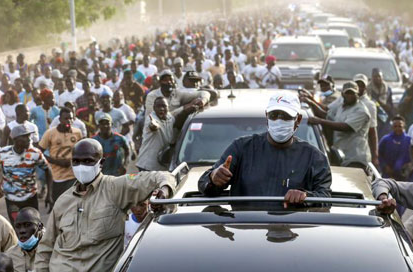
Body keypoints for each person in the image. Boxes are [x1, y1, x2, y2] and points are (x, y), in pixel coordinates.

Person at [29, 139, 176, 272]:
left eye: (88, 161)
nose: (81, 166)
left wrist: (163, 190)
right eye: (76, 161)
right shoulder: (63, 201)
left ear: (101, 162)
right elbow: (46, 248)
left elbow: (162, 176)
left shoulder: (115, 188)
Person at [199, 93, 331, 207]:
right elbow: (204, 183)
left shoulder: (314, 157)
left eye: (285, 116)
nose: (279, 120)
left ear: (298, 119)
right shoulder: (241, 148)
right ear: (267, 117)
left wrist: (306, 197)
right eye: (274, 115)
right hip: (245, 229)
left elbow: (325, 197)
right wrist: (213, 179)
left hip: (292, 229)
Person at [0, 125, 52, 221]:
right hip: (12, 200)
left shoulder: (35, 153)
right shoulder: (3, 153)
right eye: (25, 136)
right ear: (15, 139)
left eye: (29, 136)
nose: (29, 139)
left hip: (30, 198)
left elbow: (48, 170)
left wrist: (49, 194)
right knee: (17, 227)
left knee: (34, 226)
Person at [308, 82, 371, 168]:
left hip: (355, 158)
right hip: (341, 156)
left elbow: (345, 127)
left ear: (357, 94)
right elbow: (327, 115)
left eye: (352, 93)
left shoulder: (361, 111)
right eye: (347, 93)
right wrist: (310, 101)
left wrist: (320, 121)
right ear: (342, 94)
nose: (349, 96)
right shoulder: (341, 107)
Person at [38, 107, 83, 203]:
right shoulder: (50, 133)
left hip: (73, 177)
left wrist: (74, 161)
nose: (69, 121)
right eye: (66, 118)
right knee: (58, 206)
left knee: (72, 205)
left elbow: (82, 152)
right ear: (59, 120)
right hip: (56, 177)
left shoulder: (77, 133)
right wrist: (56, 161)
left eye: (71, 118)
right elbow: (39, 152)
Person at [5, 207, 44, 272]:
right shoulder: (10, 255)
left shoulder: (52, 251)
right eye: (18, 227)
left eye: (28, 225)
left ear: (40, 226)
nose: (22, 231)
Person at [144, 70, 210, 118]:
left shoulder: (177, 93)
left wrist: (203, 100)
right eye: (165, 80)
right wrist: (183, 108)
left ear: (174, 82)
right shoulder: (152, 96)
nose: (169, 82)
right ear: (160, 82)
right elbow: (159, 118)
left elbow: (205, 93)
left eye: (171, 79)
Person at [378, 115, 413, 180]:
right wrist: (385, 166)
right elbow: (379, 154)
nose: (397, 128)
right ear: (392, 127)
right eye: (395, 126)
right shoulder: (385, 139)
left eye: (400, 126)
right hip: (388, 175)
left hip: (405, 176)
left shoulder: (409, 140)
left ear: (404, 126)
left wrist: (410, 165)